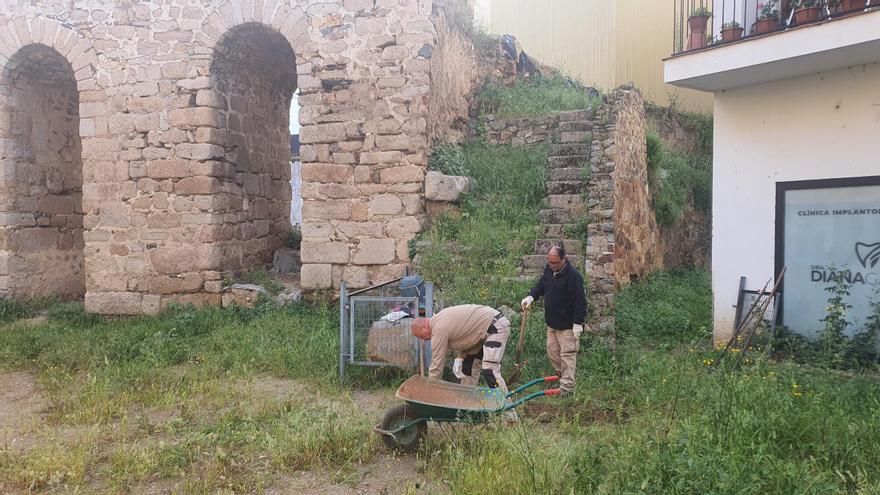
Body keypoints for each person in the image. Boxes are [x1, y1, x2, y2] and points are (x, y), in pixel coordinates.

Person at [521, 245, 587, 395]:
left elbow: (580, 302)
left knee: (567, 355)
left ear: (564, 259)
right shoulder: (549, 269)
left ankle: (567, 389)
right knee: (552, 352)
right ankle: (561, 377)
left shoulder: (573, 277)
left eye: (555, 263)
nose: (552, 265)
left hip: (568, 326)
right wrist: (531, 297)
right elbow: (541, 285)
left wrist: (578, 323)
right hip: (552, 323)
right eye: (549, 262)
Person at [410, 304, 511, 391]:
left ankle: (507, 408)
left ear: (424, 327)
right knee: (468, 366)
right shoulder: (439, 320)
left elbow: (437, 365)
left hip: (496, 326)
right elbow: (466, 334)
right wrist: (461, 356)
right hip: (484, 329)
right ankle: (467, 403)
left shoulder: (438, 330)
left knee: (490, 368)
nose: (423, 339)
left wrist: (430, 390)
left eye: (421, 336)